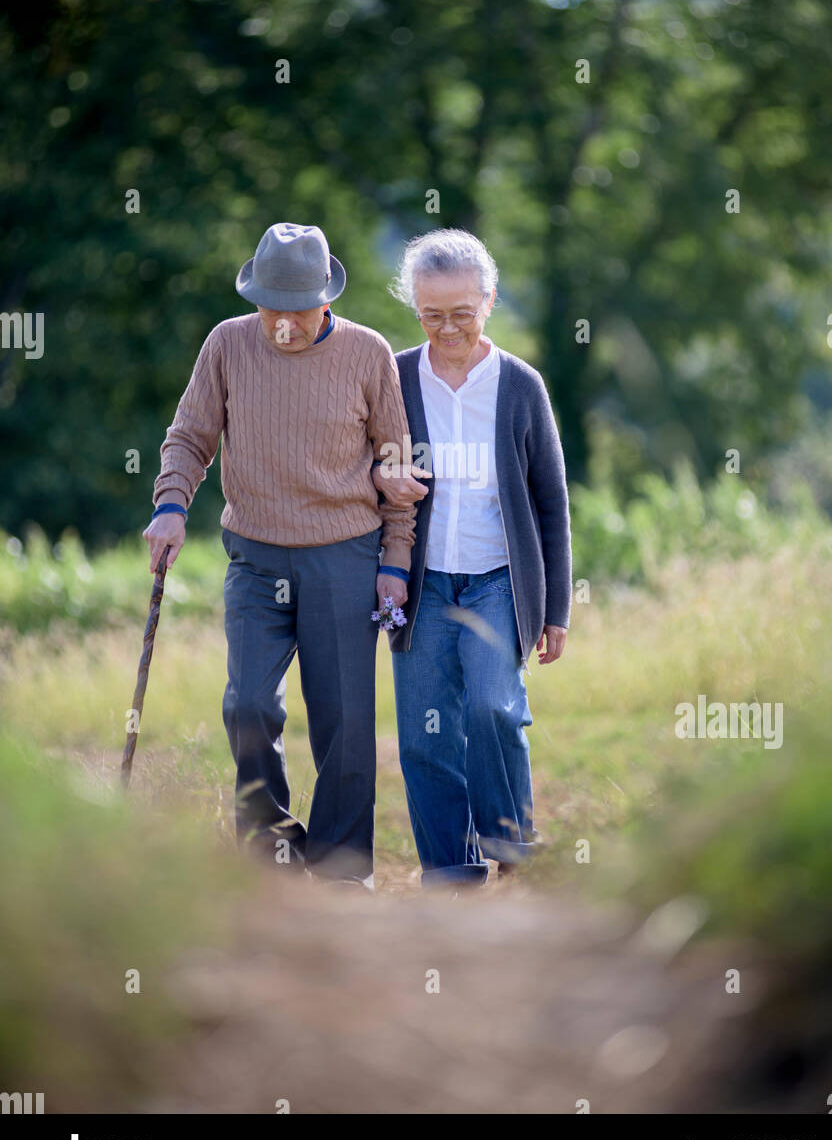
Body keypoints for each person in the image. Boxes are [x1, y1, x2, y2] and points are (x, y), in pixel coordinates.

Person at [143, 222, 415, 887]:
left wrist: (395, 558)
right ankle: (271, 856)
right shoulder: (228, 344)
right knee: (248, 708)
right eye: (271, 306)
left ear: (326, 300)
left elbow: (397, 458)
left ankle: (343, 870)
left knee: (345, 724)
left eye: (297, 308)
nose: (283, 322)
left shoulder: (367, 352)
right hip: (256, 558)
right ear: (254, 296)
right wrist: (171, 505)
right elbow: (189, 436)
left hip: (344, 557)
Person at [373, 229, 571, 889]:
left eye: (462, 311)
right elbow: (364, 461)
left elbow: (550, 502)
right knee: (426, 735)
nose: (447, 327)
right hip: (421, 582)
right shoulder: (394, 376)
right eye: (432, 314)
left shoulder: (520, 385)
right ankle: (449, 871)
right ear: (414, 308)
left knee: (492, 705)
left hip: (497, 582)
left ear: (488, 300)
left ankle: (508, 840)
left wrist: (556, 608)